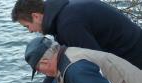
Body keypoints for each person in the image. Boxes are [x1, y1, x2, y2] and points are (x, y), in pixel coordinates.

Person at [11, 0, 142, 70]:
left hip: (133, 54)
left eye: (27, 26)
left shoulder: (68, 24)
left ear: (36, 16)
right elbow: (61, 61)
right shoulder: (61, 15)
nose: (30, 31)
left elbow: (96, 63)